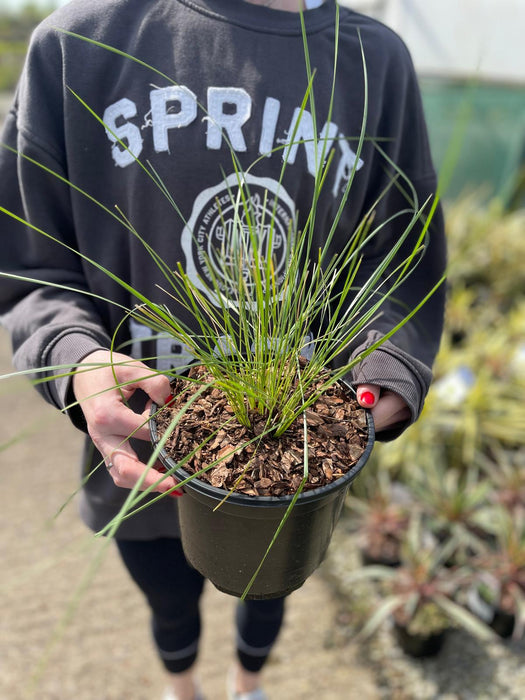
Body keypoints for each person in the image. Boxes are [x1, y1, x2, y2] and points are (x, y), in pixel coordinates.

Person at [0, 0, 446, 698]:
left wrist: (386, 370)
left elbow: (396, 262)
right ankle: (183, 689)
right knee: (167, 601)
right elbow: (34, 264)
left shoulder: (372, 59)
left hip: (296, 463)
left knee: (270, 591)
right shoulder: (77, 43)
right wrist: (76, 356)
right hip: (146, 452)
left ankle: (248, 684)